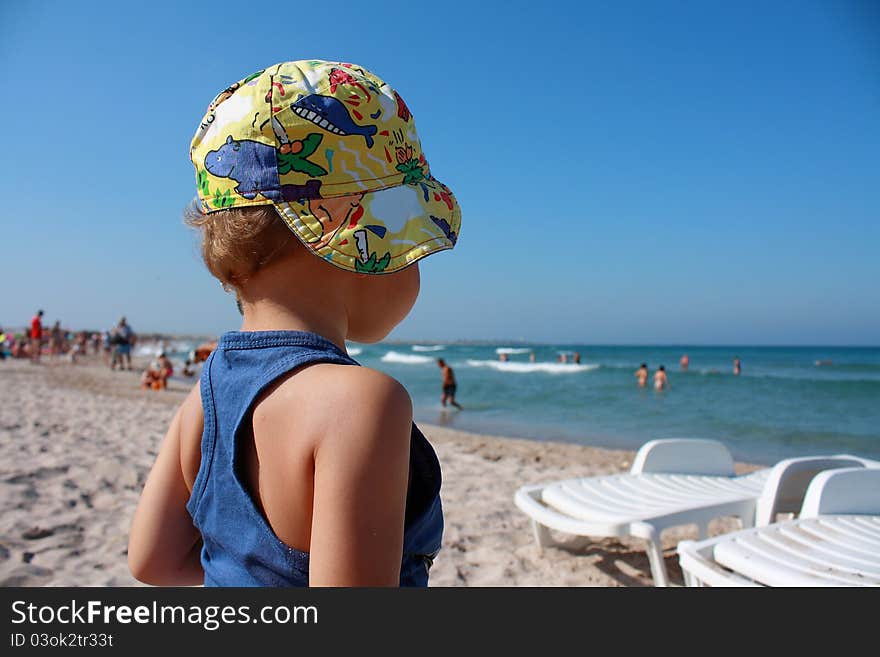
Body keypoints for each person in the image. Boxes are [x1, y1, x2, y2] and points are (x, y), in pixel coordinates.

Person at [129, 60, 460, 588]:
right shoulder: (364, 404)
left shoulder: (209, 390)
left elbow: (153, 562)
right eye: (411, 242)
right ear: (355, 241)